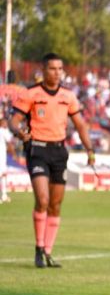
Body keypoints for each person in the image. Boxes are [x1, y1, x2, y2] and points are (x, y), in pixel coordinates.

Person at [9, 53, 95, 267]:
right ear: (43, 70)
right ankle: (38, 248)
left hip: (59, 152)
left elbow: (81, 125)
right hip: (37, 150)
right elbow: (14, 120)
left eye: (60, 69)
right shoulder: (31, 93)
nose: (57, 73)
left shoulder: (68, 96)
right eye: (52, 69)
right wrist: (20, 133)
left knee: (56, 205)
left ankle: (48, 251)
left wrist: (90, 150)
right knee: (43, 200)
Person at [0, 118, 16, 203]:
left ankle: (4, 195)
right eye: (5, 122)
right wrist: (14, 155)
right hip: (1, 156)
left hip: (2, 156)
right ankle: (4, 195)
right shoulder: (3, 130)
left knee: (3, 175)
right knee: (3, 175)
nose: (6, 124)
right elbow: (10, 142)